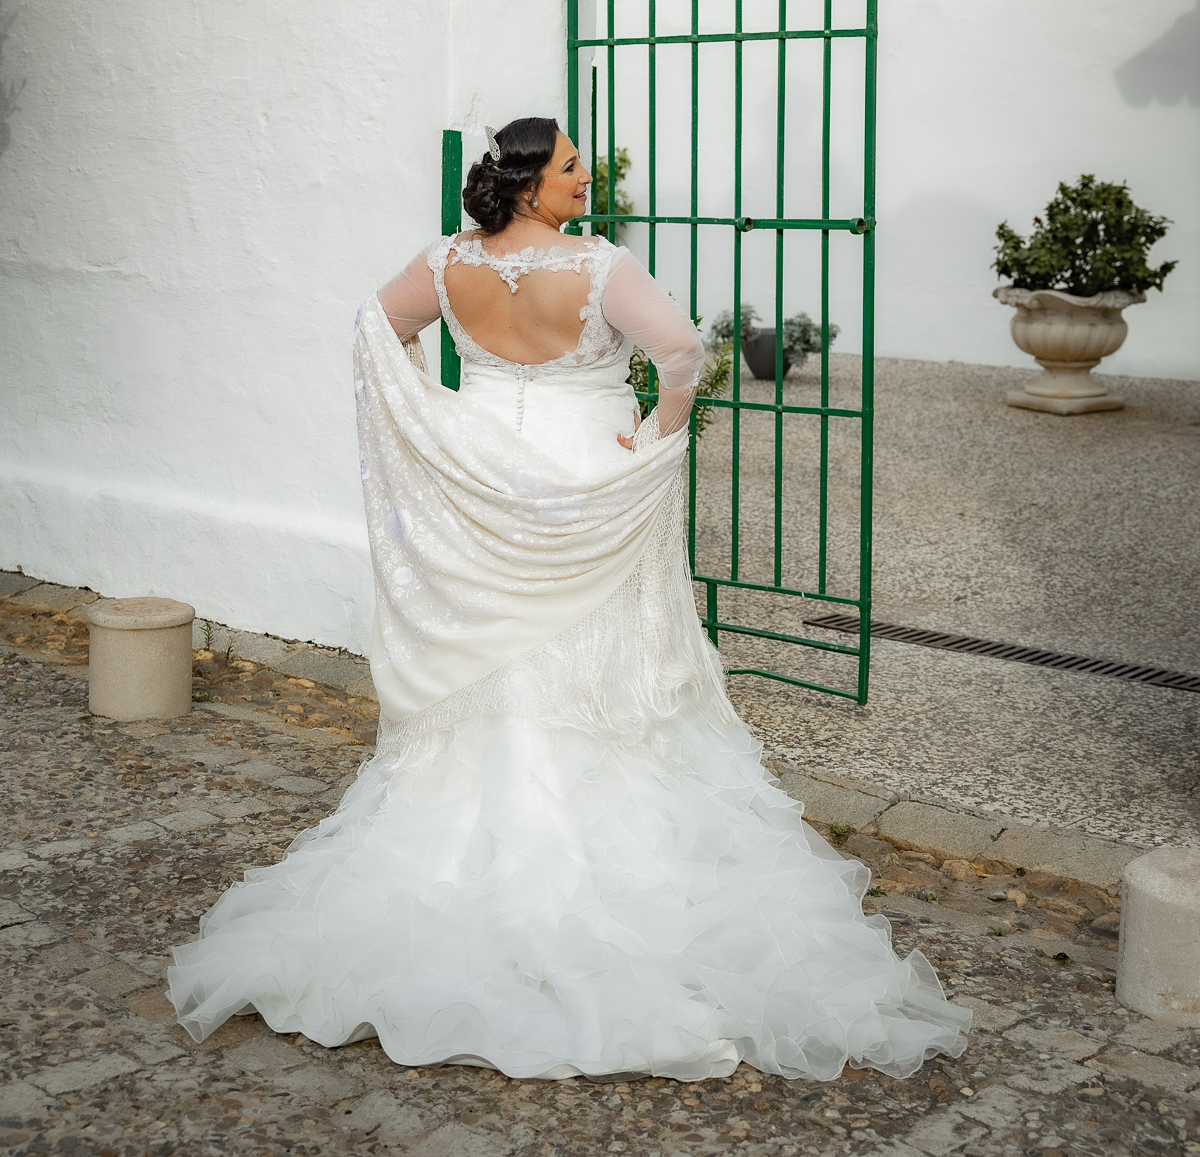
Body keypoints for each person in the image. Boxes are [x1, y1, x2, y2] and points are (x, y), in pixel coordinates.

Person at [167, 116, 969, 1081]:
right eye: (571, 167)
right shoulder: (596, 269)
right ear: (530, 182)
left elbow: (374, 327)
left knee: (497, 664)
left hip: (482, 474)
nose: (586, 180)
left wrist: (432, 424)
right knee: (603, 660)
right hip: (588, 470)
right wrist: (655, 434)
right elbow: (685, 352)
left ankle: (466, 867)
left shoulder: (446, 262)